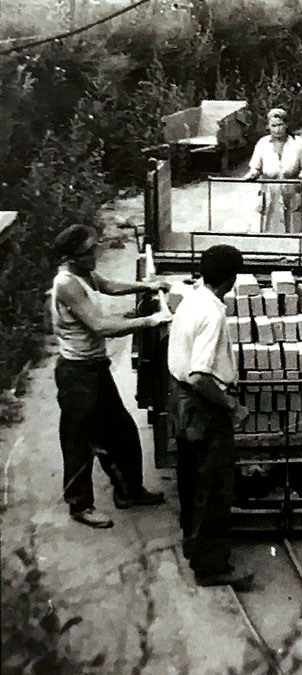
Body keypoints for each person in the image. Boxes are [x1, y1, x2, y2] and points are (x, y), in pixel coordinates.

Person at [50, 224, 173, 529]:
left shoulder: (86, 273)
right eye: (89, 251)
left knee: (123, 431)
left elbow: (110, 287)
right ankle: (80, 506)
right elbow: (101, 327)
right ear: (71, 258)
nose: (95, 254)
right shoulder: (66, 284)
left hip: (96, 368)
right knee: (81, 441)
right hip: (77, 374)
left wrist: (146, 286)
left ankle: (129, 491)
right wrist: (151, 320)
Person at [167, 244, 254, 590]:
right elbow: (200, 375)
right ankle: (211, 566)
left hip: (181, 401)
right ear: (231, 280)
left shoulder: (192, 298)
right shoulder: (214, 314)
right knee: (215, 485)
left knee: (191, 476)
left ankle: (193, 544)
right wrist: (233, 406)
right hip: (203, 406)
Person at [246, 107, 302, 234]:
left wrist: (301, 180)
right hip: (270, 193)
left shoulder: (298, 143)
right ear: (268, 126)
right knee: (271, 228)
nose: (277, 129)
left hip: (291, 192)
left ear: (286, 125)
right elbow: (255, 167)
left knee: (293, 228)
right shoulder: (263, 143)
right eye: (273, 126)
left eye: (280, 125)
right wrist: (252, 174)